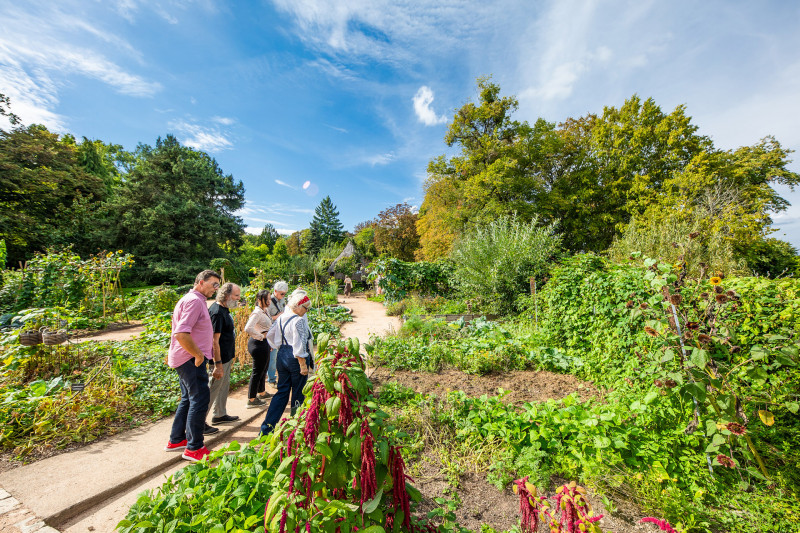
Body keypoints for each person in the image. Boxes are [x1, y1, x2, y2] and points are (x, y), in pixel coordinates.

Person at [165, 269, 221, 462]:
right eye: (213, 284)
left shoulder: (193, 299)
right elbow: (181, 333)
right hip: (190, 358)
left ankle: (177, 439)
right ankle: (194, 448)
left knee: (188, 399)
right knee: (199, 398)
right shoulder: (195, 301)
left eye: (218, 285)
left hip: (186, 357)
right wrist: (198, 354)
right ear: (200, 282)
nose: (216, 289)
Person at [260, 289, 312, 435]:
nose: (306, 311)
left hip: (282, 355)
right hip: (296, 358)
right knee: (298, 393)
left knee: (282, 392)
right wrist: (303, 364)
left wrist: (279, 347)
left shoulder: (282, 317)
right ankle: (296, 429)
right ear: (299, 306)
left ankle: (266, 429)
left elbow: (270, 335)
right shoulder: (299, 321)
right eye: (306, 308)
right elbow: (300, 344)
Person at [207, 282, 242, 429]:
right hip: (219, 360)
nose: (238, 298)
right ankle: (199, 422)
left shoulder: (224, 309)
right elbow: (214, 341)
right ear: (226, 295)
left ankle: (219, 414)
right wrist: (218, 364)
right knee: (213, 388)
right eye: (236, 295)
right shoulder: (217, 312)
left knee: (223, 386)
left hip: (226, 357)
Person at [244, 289, 272, 407]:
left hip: (264, 343)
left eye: (270, 299)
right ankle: (251, 399)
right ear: (260, 300)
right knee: (257, 371)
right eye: (267, 299)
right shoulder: (257, 313)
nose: (269, 301)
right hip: (258, 344)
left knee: (263, 369)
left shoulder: (265, 310)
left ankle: (261, 392)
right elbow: (248, 328)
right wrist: (261, 336)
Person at [265, 280, 288, 387]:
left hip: (281, 330)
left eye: (285, 294)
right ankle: (271, 379)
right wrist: (278, 316)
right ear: (275, 291)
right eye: (282, 293)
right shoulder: (268, 302)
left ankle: (281, 377)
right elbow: (265, 318)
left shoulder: (282, 300)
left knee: (281, 355)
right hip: (272, 332)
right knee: (272, 357)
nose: (283, 296)